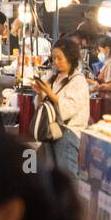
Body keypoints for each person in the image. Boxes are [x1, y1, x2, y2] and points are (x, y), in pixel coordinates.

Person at [33, 37, 91, 176]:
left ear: (70, 57)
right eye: (54, 58)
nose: (56, 62)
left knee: (67, 177)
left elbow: (69, 108)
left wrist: (48, 92)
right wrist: (41, 93)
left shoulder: (78, 80)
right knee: (54, 177)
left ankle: (71, 199)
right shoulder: (54, 78)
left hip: (68, 134)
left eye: (59, 58)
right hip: (52, 132)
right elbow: (44, 107)